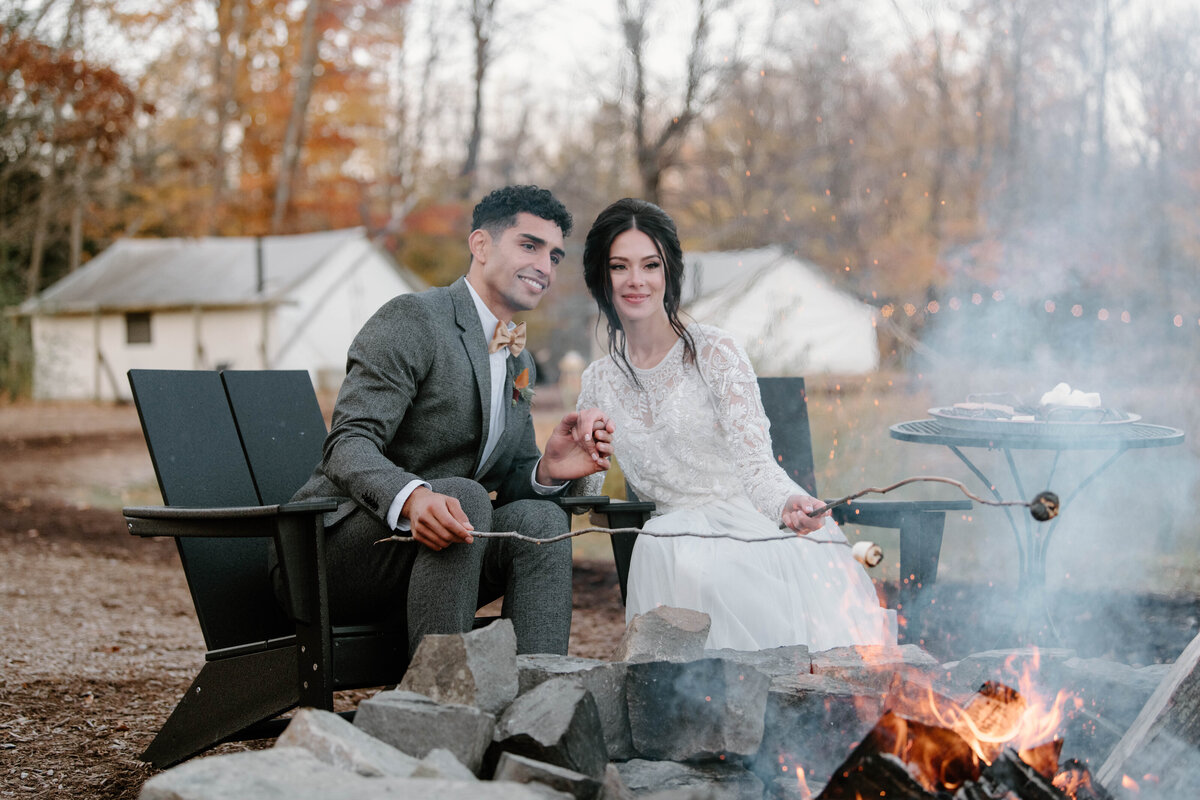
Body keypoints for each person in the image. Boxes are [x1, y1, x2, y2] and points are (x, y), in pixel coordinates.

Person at [288, 185, 613, 656]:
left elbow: (512, 487)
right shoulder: (414, 320)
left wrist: (547, 471)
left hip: (443, 556)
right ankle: (442, 705)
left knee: (541, 519)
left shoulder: (518, 360)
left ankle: (540, 703)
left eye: (555, 255)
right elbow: (348, 444)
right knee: (461, 495)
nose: (545, 266)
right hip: (334, 561)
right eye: (529, 245)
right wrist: (415, 499)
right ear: (480, 245)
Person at [575, 198, 896, 652]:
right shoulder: (598, 381)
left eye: (651, 264)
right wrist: (581, 450)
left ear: (669, 273)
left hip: (743, 527)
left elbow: (757, 466)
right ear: (600, 277)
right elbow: (588, 498)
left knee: (720, 575)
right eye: (619, 266)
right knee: (672, 549)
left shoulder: (714, 352)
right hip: (669, 539)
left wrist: (787, 503)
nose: (636, 280)